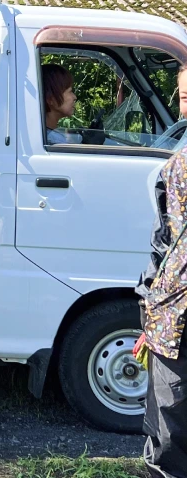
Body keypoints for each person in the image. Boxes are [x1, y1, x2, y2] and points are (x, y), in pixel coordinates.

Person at [136, 66, 187, 478]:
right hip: (172, 317)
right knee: (168, 427)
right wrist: (149, 304)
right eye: (185, 97)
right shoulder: (175, 168)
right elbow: (162, 243)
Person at [42, 64, 83, 144]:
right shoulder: (53, 140)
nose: (74, 97)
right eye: (70, 91)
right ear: (50, 99)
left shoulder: (47, 136)